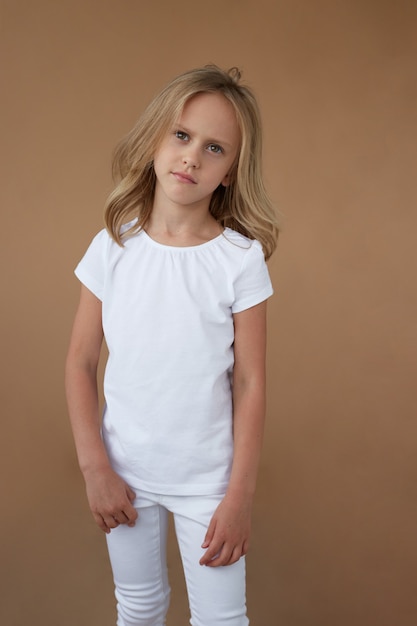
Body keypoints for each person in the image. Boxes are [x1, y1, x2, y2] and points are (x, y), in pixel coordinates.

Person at [65, 65, 279, 626]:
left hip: (209, 480)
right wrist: (95, 470)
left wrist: (239, 498)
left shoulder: (238, 259)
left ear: (231, 171)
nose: (191, 157)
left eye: (214, 148)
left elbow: (251, 382)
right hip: (124, 472)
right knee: (138, 607)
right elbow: (81, 363)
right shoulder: (114, 246)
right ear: (156, 138)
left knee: (221, 619)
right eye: (181, 136)